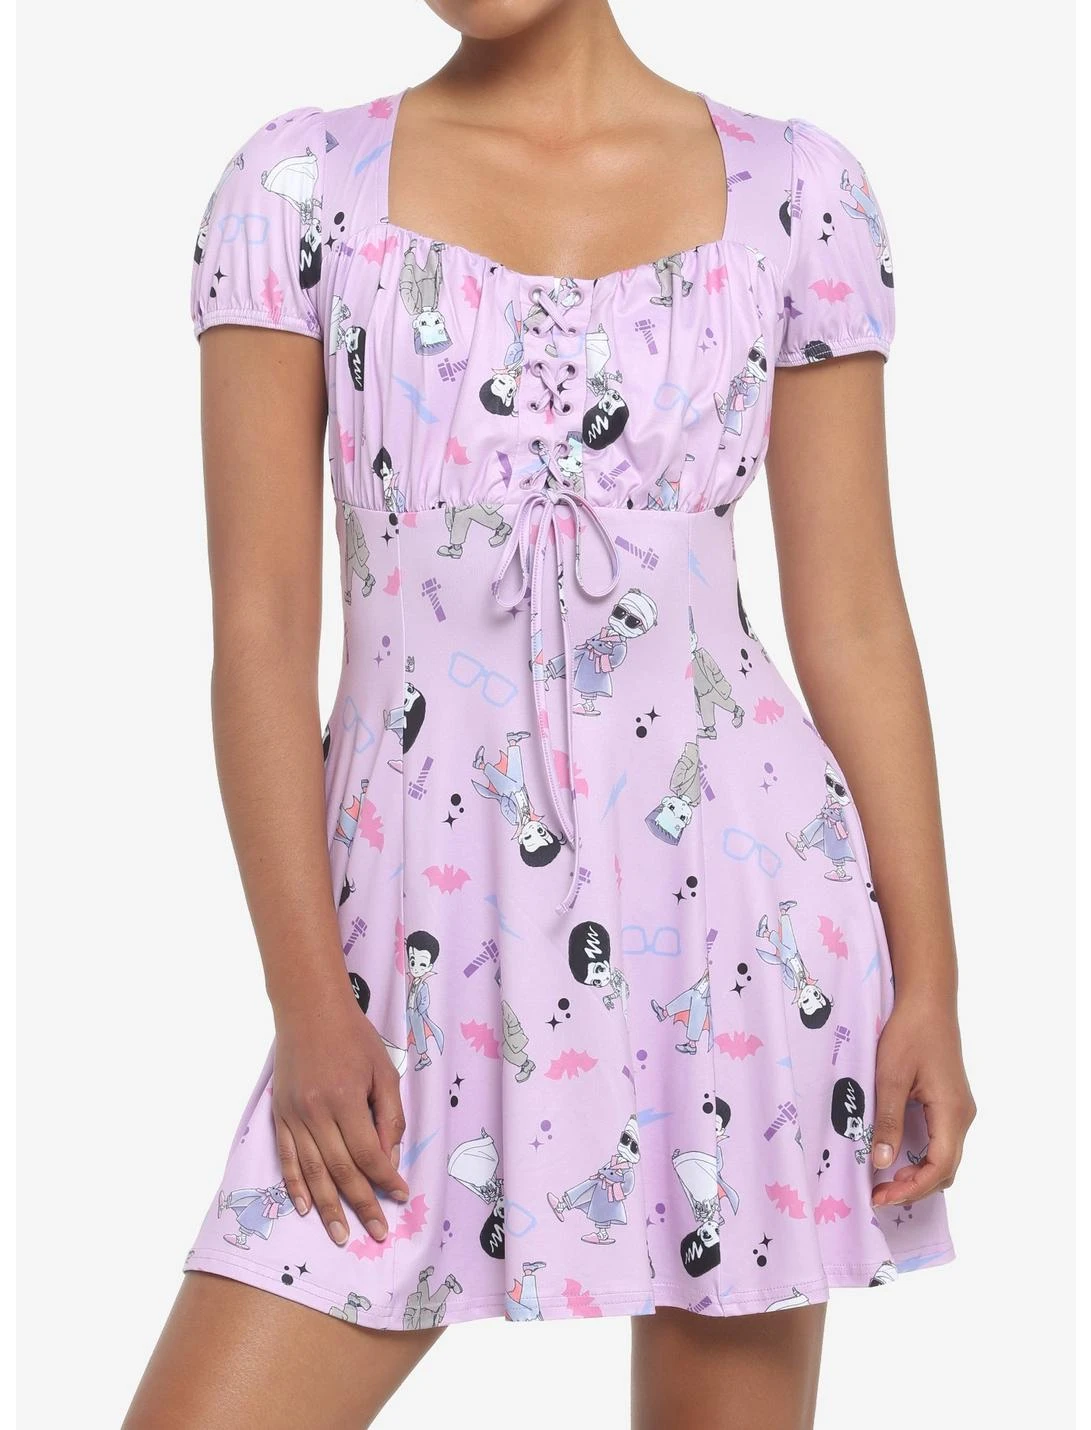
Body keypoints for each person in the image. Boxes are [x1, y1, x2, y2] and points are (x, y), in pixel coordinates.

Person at [125, 2, 976, 1426]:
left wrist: (932, 980)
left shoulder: (794, 192)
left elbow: (854, 622)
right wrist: (309, 1001)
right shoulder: (299, 189)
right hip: (402, 958)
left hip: (742, 938)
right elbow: (260, 627)